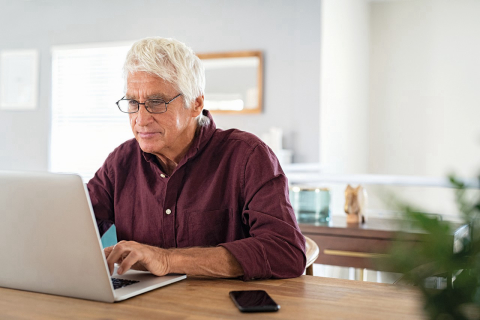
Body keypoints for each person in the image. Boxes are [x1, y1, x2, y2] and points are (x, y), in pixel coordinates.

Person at [87, 37, 306, 281]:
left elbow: (286, 251)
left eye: (156, 102)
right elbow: (75, 224)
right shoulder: (121, 162)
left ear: (196, 104)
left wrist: (166, 260)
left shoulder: (248, 157)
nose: (140, 119)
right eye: (132, 103)